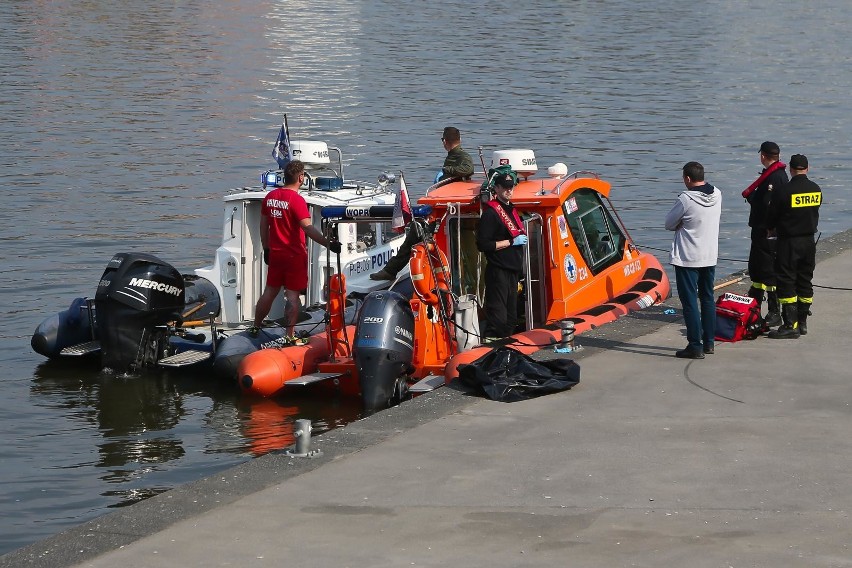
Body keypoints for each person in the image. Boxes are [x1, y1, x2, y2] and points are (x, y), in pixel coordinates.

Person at [250, 160, 341, 338]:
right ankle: (289, 336)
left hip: (275, 253)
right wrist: (328, 243)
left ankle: (255, 326)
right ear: (301, 178)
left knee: (269, 291)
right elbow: (307, 227)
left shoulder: (270, 197)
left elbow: (263, 226)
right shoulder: (297, 200)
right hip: (294, 255)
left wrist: (266, 248)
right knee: (292, 296)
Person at [370, 127, 474, 281]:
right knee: (415, 230)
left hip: (450, 210)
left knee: (414, 231)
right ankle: (391, 270)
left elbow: (468, 168)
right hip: (445, 207)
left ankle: (391, 271)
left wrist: (446, 170)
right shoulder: (455, 155)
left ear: (444, 141)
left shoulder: (461, 155)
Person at [665, 161, 722, 359]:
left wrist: (683, 222)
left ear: (687, 178)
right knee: (707, 299)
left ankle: (694, 345)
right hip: (709, 255)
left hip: (687, 258)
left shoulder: (685, 199)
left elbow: (669, 224)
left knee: (689, 302)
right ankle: (709, 343)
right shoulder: (717, 194)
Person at [765, 154, 821, 339]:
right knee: (805, 280)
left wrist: (771, 229)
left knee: (787, 280)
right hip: (809, 242)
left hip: (789, 242)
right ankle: (803, 323)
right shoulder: (816, 189)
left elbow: (772, 217)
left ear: (790, 169)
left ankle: (790, 325)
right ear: (807, 168)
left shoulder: (784, 191)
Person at [476, 169, 527, 339]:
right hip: (498, 271)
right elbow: (483, 245)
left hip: (512, 271)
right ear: (496, 189)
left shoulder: (511, 210)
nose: (509, 190)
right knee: (498, 319)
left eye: (511, 187)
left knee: (512, 318)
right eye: (505, 187)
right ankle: (490, 350)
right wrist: (512, 242)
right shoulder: (490, 214)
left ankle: (506, 348)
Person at [743, 141, 788, 327]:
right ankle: (756, 309)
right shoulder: (778, 175)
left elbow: (768, 206)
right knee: (758, 271)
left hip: (765, 231)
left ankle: (773, 311)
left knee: (767, 272)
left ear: (763, 155)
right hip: (765, 231)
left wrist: (753, 198)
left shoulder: (774, 177)